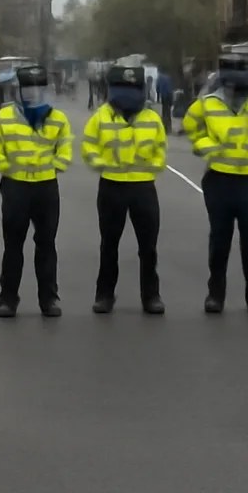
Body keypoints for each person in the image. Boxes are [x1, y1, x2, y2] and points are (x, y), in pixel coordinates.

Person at [183, 52, 248, 315]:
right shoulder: (207, 104)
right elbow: (191, 127)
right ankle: (215, 295)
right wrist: (207, 146)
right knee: (220, 240)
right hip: (219, 180)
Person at [82, 65, 166, 315]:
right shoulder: (101, 116)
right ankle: (104, 295)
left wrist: (153, 166)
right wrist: (100, 163)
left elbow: (161, 148)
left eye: (132, 89)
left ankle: (151, 296)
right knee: (109, 244)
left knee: (148, 246)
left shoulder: (151, 118)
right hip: (112, 186)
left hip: (143, 187)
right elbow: (89, 146)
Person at [0, 64, 72, 318]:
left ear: (46, 89)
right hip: (15, 186)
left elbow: (65, 147)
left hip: (46, 187)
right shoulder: (5, 116)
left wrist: (56, 167)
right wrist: (7, 168)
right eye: (28, 88)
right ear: (20, 90)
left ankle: (49, 299)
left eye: (38, 88)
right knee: (13, 245)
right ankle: (8, 300)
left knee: (46, 244)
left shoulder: (57, 117)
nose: (33, 93)